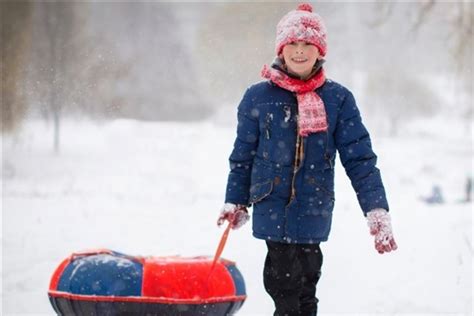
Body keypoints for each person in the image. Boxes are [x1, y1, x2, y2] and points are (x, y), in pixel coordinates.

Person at [217, 3, 397, 316]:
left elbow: (360, 159)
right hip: (271, 203)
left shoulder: (338, 99)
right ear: (281, 49)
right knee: (283, 283)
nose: (299, 52)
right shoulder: (258, 97)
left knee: (307, 283)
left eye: (307, 45)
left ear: (319, 50)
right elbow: (243, 155)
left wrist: (376, 208)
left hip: (314, 204)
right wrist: (235, 200)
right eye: (293, 45)